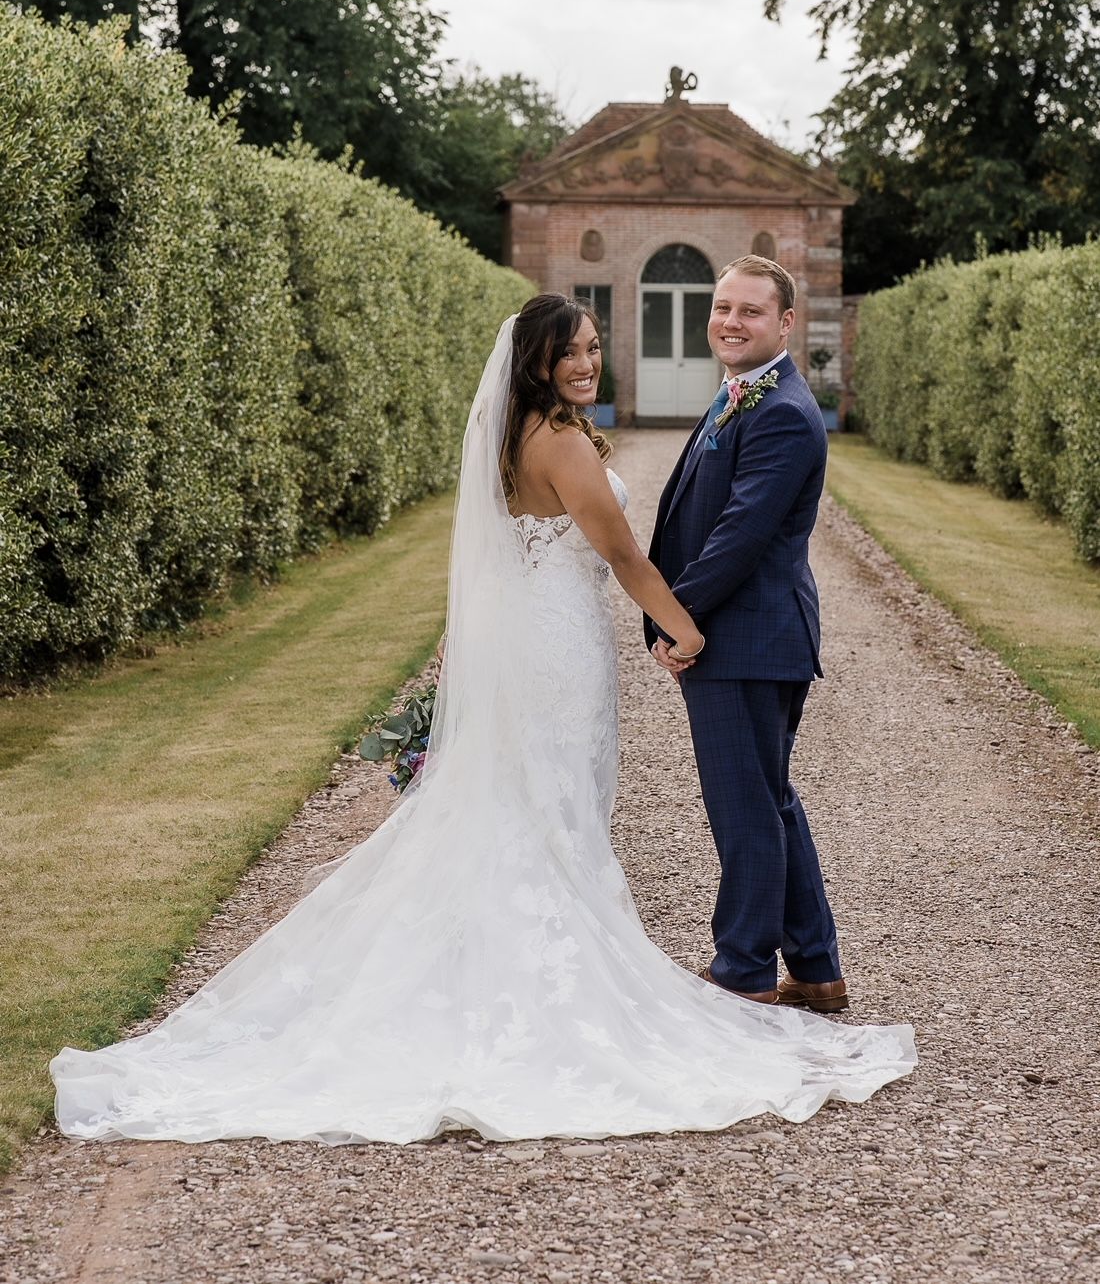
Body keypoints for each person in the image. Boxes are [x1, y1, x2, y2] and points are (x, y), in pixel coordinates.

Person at [51, 293, 914, 1146]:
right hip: (556, 649)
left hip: (530, 639)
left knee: (529, 795)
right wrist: (682, 626)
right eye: (571, 351)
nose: (587, 363)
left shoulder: (512, 433)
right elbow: (618, 551)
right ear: (535, 360)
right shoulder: (563, 440)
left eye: (592, 348)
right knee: (553, 801)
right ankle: (569, 980)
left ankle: (759, 961)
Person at [646, 255, 848, 1008]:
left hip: (746, 638)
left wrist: (678, 620)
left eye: (750, 311)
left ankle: (743, 972)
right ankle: (817, 966)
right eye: (723, 306)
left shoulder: (785, 413)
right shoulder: (743, 393)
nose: (730, 321)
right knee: (769, 799)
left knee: (745, 810)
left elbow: (739, 536)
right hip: (747, 636)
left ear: (786, 322)